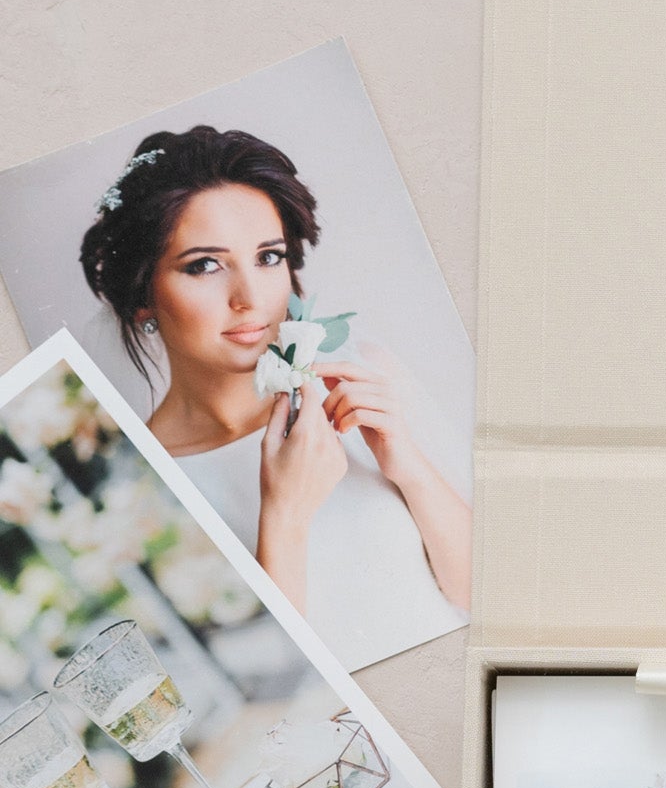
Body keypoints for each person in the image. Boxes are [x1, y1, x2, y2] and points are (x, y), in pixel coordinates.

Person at [79, 125, 469, 668]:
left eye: (267, 257)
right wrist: (284, 515)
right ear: (143, 296)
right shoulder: (142, 492)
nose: (251, 299)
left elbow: (486, 601)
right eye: (204, 265)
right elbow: (269, 699)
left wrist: (410, 468)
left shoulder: (361, 379)